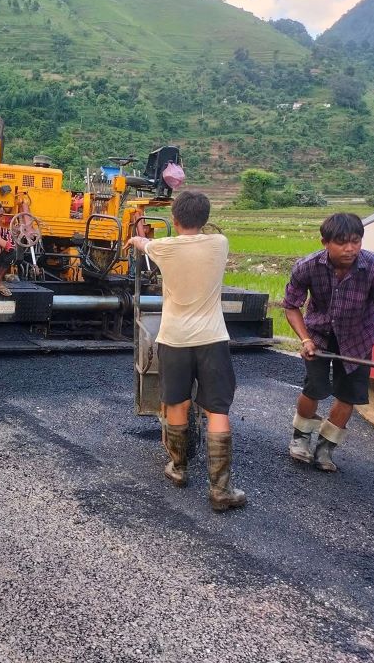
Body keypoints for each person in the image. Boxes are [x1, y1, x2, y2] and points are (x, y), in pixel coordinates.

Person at [126, 190, 246, 512]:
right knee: (218, 410)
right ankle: (221, 490)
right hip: (212, 338)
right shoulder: (219, 244)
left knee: (177, 402)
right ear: (205, 220)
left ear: (175, 220)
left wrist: (138, 236)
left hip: (174, 339)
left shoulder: (164, 248)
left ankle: (178, 469)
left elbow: (142, 245)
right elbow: (202, 236)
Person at [283, 212, 374, 472]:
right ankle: (300, 437)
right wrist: (305, 339)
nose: (350, 248)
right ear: (325, 242)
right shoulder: (307, 266)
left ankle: (326, 447)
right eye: (342, 242)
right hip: (319, 336)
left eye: (355, 241)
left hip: (357, 337)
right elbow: (291, 306)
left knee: (348, 395)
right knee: (314, 389)